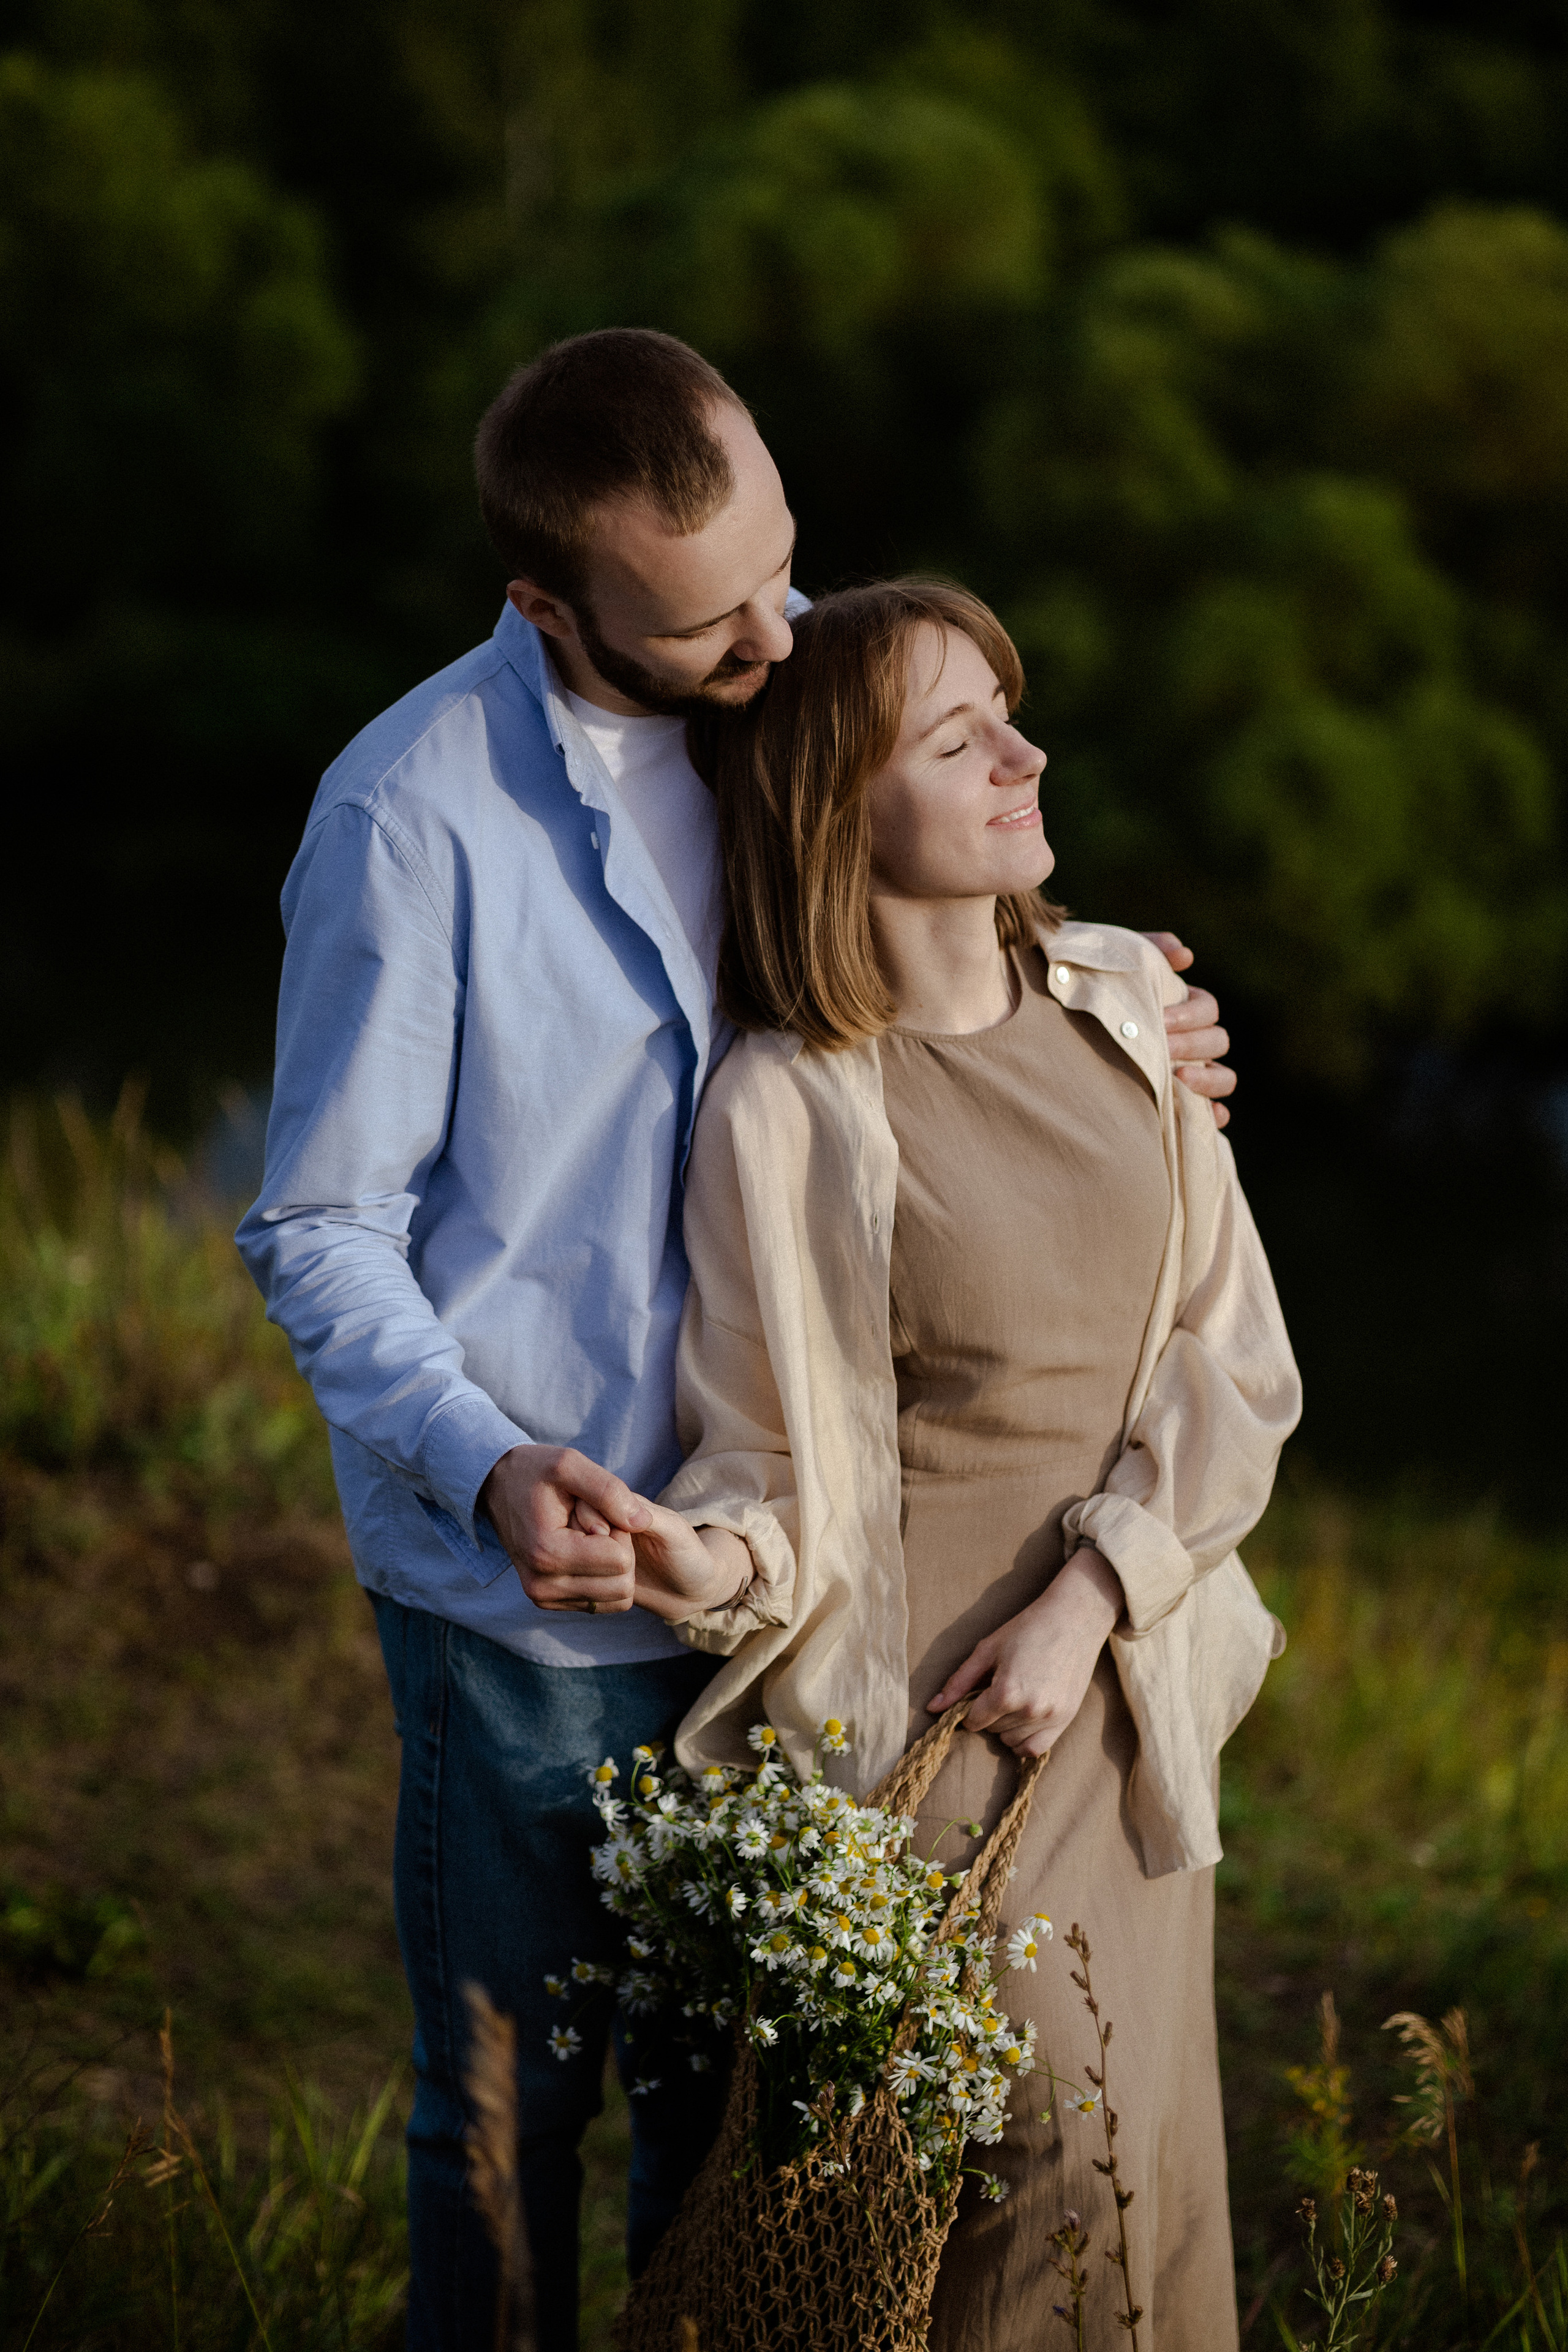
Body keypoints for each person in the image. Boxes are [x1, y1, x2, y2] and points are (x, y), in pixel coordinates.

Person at [236, 332, 1239, 2352]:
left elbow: (935, 897)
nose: (777, 630)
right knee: (510, 2117)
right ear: (549, 604)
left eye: (786, 562)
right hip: (553, 1595)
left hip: (812, 1604)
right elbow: (320, 1226)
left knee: (751, 2133)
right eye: (713, 614)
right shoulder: (411, 818)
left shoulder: (770, 674)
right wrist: (490, 1460)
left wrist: (1125, 1007)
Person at [624, 580, 1302, 2351]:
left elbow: (1238, 1368)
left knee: (1141, 2171)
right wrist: (696, 1564)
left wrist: (1099, 1594)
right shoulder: (787, 1104)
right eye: (958, 736)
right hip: (936, 1734)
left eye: (1008, 705)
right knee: (1023, 2169)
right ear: (839, 809)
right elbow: (764, 1454)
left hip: (1128, 1685)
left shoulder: (1128, 1004)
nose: (1026, 753)